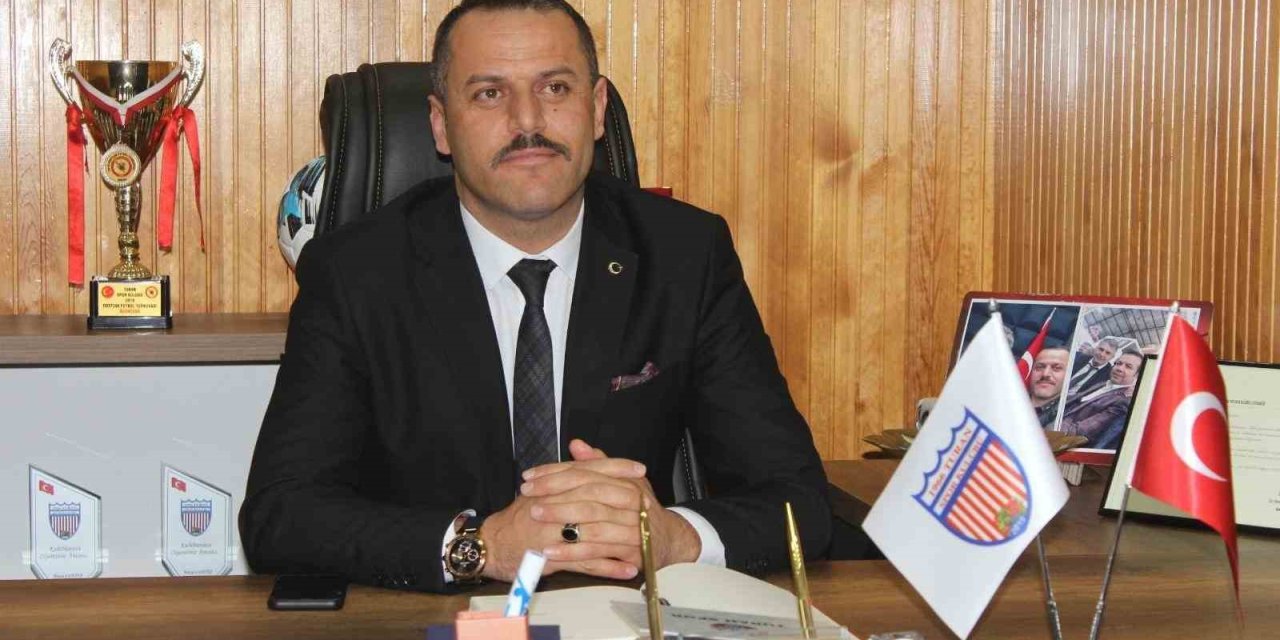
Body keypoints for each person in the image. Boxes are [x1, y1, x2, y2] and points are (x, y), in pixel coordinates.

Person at [238, 0, 830, 594]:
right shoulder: (355, 274)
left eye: (555, 87)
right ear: (441, 125)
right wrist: (482, 546)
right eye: (489, 93)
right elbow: (280, 515)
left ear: (596, 108)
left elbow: (798, 498)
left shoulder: (685, 256)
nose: (527, 120)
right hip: (429, 613)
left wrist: (674, 538)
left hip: (622, 610)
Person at [1059, 349, 1143, 446]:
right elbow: (1076, 400)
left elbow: (1079, 431)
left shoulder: (1123, 401)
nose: (1119, 368)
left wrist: (1056, 425)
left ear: (1137, 375)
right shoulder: (1103, 384)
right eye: (1118, 363)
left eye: (1128, 367)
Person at [1028, 346, 1069, 428]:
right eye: (1040, 367)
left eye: (1056, 368)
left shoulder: (1068, 417)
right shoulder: (1006, 401)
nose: (1045, 374)